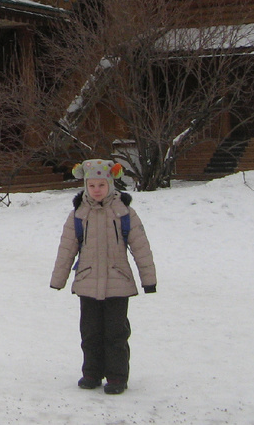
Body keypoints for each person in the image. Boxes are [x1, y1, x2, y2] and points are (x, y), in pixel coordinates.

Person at [50, 159, 156, 396]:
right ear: (85, 186)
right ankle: (91, 373)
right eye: (92, 185)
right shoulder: (79, 214)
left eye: (101, 185)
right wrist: (58, 279)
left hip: (118, 283)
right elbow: (66, 249)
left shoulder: (124, 213)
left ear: (110, 184)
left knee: (116, 333)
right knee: (90, 333)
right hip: (87, 282)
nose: (96, 190)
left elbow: (141, 248)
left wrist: (148, 280)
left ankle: (117, 376)